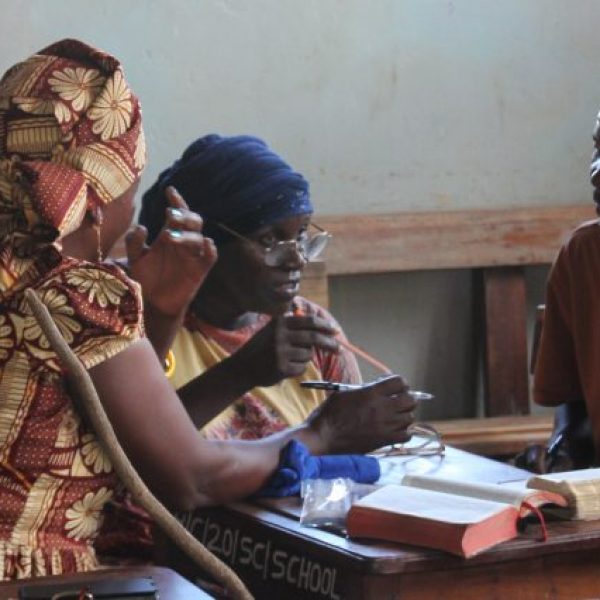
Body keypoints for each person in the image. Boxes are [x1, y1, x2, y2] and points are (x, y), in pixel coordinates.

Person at [0, 40, 416, 580]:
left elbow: (98, 422)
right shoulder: (82, 295)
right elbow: (189, 479)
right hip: (36, 577)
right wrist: (325, 433)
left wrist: (160, 312)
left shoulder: (25, 276)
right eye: (132, 183)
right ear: (97, 200)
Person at [138, 135, 362, 440]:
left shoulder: (311, 329)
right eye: (268, 239)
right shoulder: (148, 333)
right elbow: (139, 448)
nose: (297, 259)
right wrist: (240, 373)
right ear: (204, 243)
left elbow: (353, 445)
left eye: (300, 236)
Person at [532, 109, 600, 470]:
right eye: (597, 148)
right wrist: (565, 445)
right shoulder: (583, 254)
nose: (596, 172)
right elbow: (571, 396)